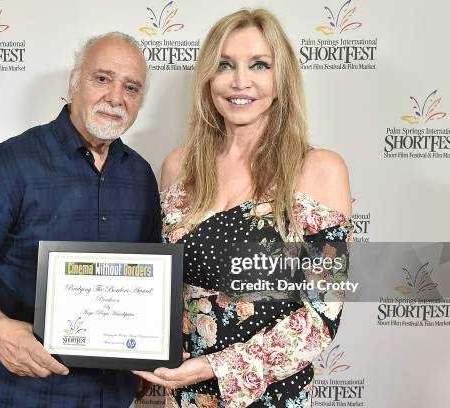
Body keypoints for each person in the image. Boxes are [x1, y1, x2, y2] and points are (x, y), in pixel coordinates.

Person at [133, 9, 353, 408]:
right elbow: (164, 287)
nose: (240, 81)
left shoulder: (321, 170)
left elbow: (320, 318)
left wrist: (214, 367)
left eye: (259, 65)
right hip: (184, 395)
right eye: (225, 65)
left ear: (281, 79)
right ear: (207, 79)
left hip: (271, 397)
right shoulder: (178, 166)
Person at [0, 32, 160, 407]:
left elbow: (150, 276)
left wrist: (146, 353)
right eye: (102, 78)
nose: (116, 97)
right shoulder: (10, 163)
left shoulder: (141, 175)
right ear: (75, 82)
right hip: (29, 391)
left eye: (131, 87)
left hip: (114, 394)